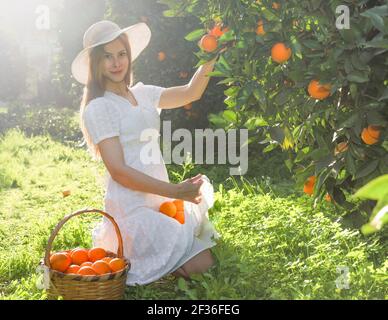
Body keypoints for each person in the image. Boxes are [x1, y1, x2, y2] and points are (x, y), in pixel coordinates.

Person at [71, 20, 221, 285]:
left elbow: (191, 92)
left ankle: (166, 263)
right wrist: (175, 190)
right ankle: (156, 265)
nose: (116, 63)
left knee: (204, 259)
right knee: (202, 262)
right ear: (96, 63)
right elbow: (118, 171)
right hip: (133, 207)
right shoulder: (99, 107)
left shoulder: (144, 93)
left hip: (160, 198)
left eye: (121, 54)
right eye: (107, 57)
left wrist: (212, 53)